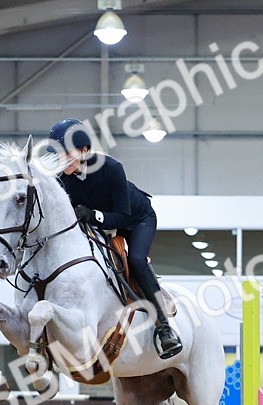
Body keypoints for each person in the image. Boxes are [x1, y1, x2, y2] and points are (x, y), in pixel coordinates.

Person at [46, 118, 182, 359]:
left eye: (67, 153)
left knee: (137, 261)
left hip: (136, 219)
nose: (61, 159)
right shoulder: (62, 180)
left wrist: (93, 215)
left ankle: (164, 328)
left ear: (85, 150)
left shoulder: (111, 168)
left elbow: (121, 217)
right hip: (103, 225)